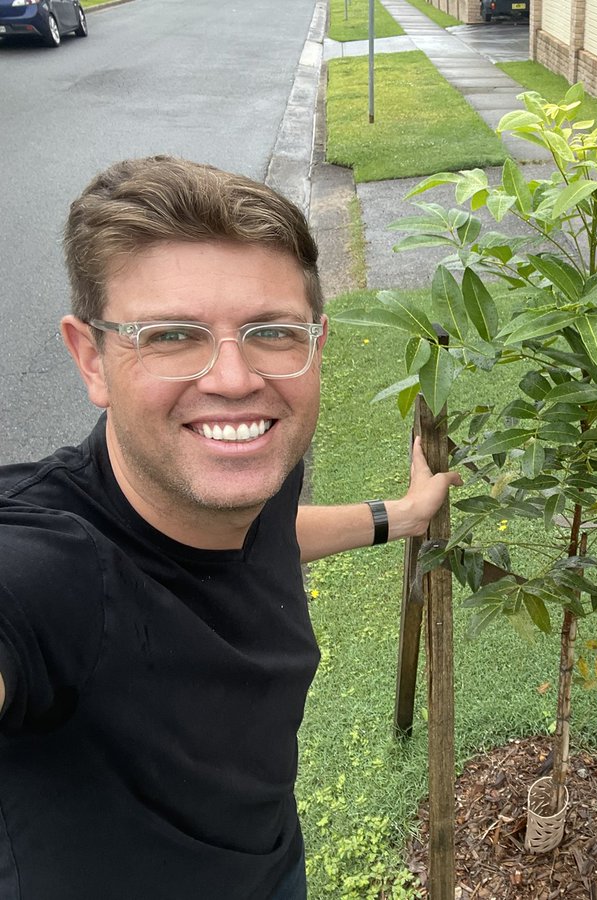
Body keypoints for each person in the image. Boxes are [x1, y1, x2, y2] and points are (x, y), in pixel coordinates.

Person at [0, 156, 461, 899]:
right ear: (91, 359)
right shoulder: (49, 568)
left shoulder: (248, 475)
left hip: (273, 861)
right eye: (172, 335)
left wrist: (399, 517)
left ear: (316, 342)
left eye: (272, 332)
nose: (234, 378)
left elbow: (272, 537)